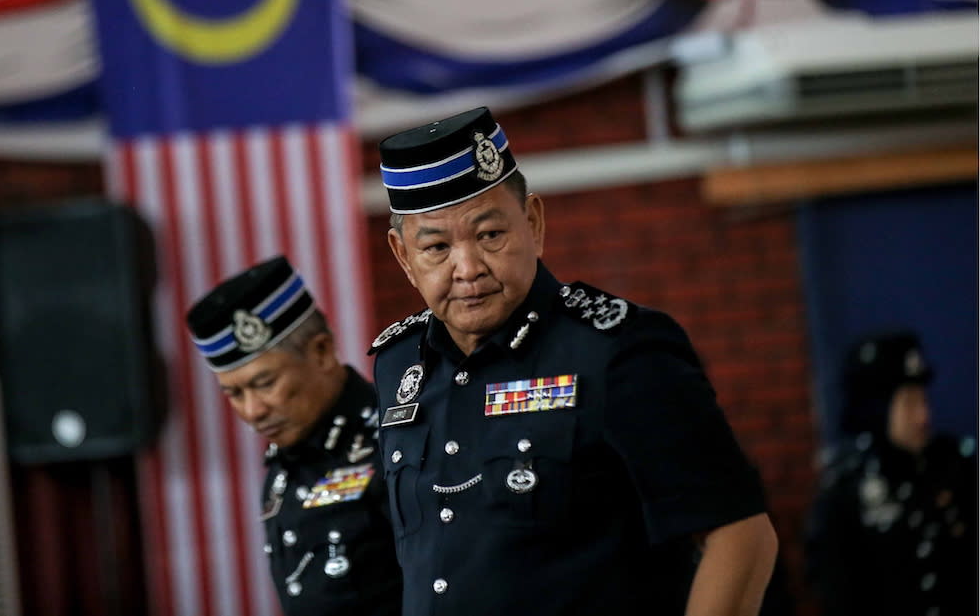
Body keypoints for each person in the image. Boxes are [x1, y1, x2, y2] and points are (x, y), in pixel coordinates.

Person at [368, 106, 778, 615]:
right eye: (436, 247)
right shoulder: (396, 365)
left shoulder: (619, 351)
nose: (467, 268)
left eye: (490, 235)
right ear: (404, 257)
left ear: (533, 223)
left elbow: (741, 538)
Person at [185, 256, 402, 616]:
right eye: (234, 394)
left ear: (321, 352)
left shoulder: (396, 443)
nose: (253, 410)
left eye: (265, 383)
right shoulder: (285, 466)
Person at [805, 330, 977, 616]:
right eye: (908, 403)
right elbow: (837, 591)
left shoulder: (955, 465)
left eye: (923, 399)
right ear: (878, 408)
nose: (924, 415)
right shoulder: (846, 489)